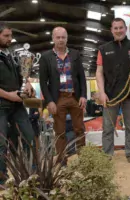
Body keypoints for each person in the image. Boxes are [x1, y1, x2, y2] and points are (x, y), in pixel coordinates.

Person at [96, 18, 130, 165]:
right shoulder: (103, 49)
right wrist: (101, 92)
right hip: (110, 95)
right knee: (108, 127)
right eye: (116, 28)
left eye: (121, 28)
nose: (118, 31)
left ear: (125, 29)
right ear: (111, 30)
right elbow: (99, 72)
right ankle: (107, 155)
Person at [39, 26, 87, 164]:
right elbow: (43, 82)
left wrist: (83, 95)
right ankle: (62, 161)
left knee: (79, 129)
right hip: (57, 99)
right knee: (60, 132)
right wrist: (49, 101)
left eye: (63, 37)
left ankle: (84, 160)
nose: (60, 40)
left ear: (67, 38)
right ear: (53, 38)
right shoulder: (46, 57)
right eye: (58, 37)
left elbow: (81, 77)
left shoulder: (75, 54)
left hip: (74, 97)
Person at [0, 22, 35, 184]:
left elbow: (23, 75)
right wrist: (9, 95)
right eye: (6, 36)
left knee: (30, 139)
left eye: (10, 35)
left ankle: (32, 174)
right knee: (1, 145)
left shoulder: (11, 54)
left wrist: (27, 84)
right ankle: (1, 180)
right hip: (1, 107)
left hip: (18, 106)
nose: (10, 39)